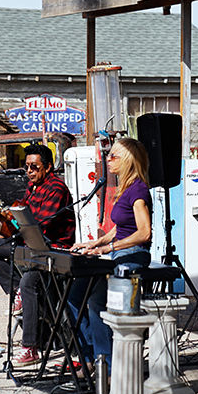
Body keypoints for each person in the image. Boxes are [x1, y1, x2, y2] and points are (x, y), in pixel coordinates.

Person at [0, 143, 75, 367]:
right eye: (26, 167)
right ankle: (16, 290)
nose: (29, 171)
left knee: (30, 280)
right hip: (29, 245)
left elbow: (41, 224)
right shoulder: (33, 187)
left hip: (52, 249)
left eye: (34, 167)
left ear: (48, 167)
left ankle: (30, 348)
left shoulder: (56, 188)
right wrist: (4, 218)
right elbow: (22, 222)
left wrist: (14, 218)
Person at [69, 137, 152, 373]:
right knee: (75, 297)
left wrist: (109, 248)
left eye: (113, 156)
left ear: (127, 160)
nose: (108, 159)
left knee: (96, 301)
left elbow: (144, 233)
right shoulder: (125, 189)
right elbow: (120, 227)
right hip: (118, 252)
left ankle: (108, 365)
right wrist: (95, 242)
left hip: (133, 255)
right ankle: (90, 356)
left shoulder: (139, 190)